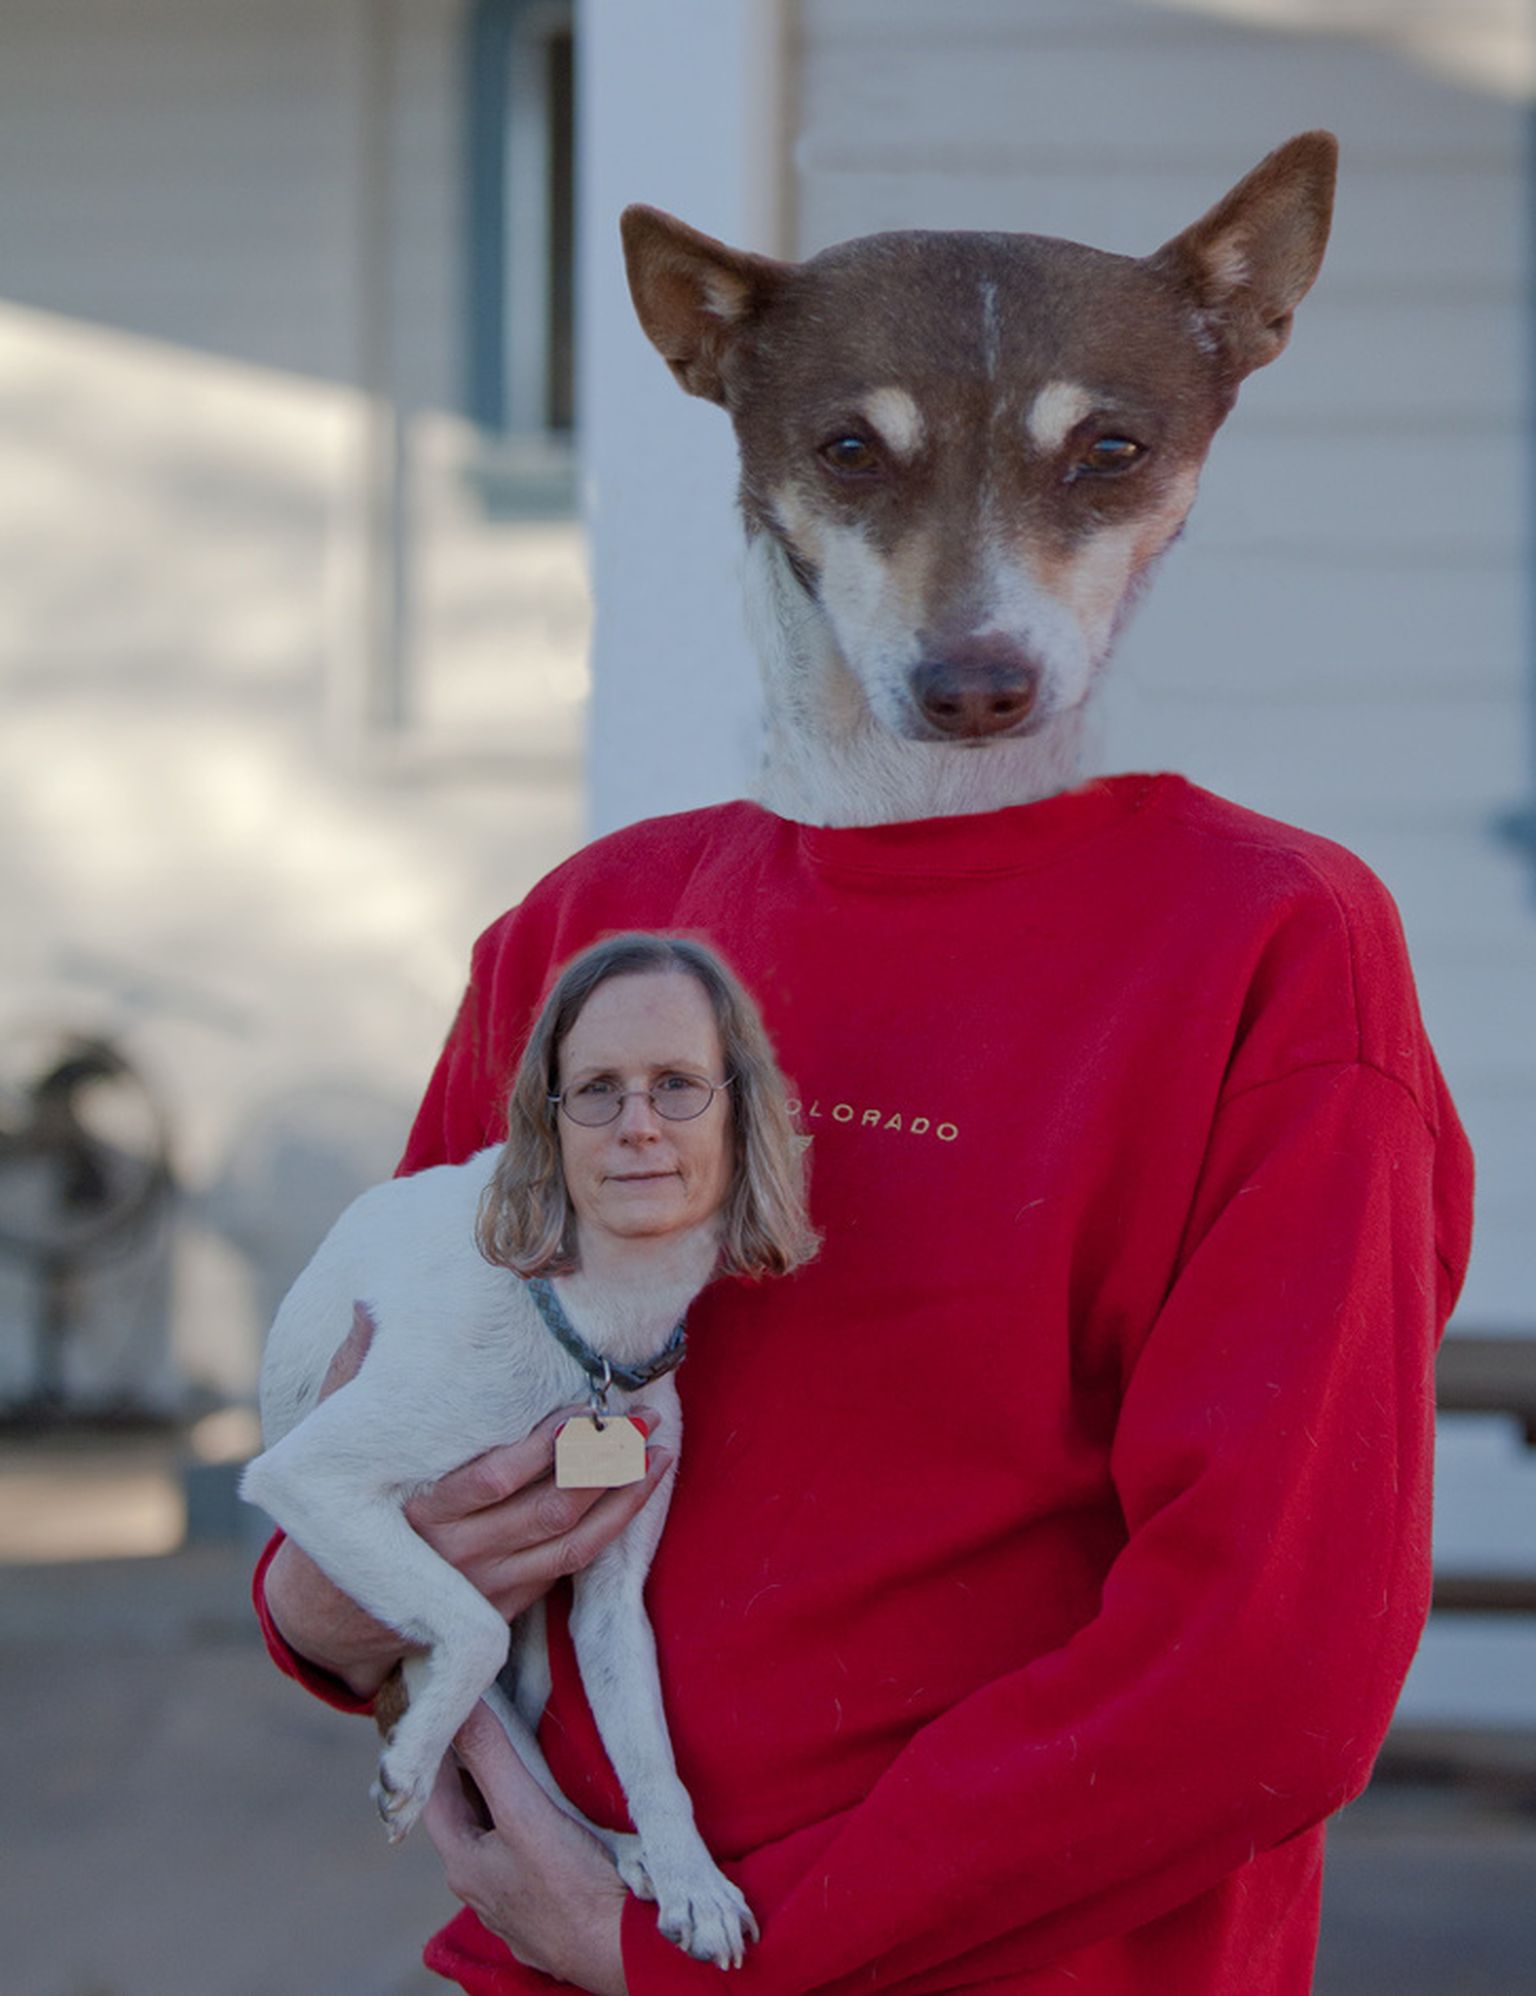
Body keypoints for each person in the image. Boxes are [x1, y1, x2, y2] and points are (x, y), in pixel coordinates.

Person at [257, 775, 1472, 1995]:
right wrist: (323, 1606)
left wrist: (707, 1957)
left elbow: (1268, 1672)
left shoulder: (1272, 939)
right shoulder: (590, 921)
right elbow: (352, 1445)